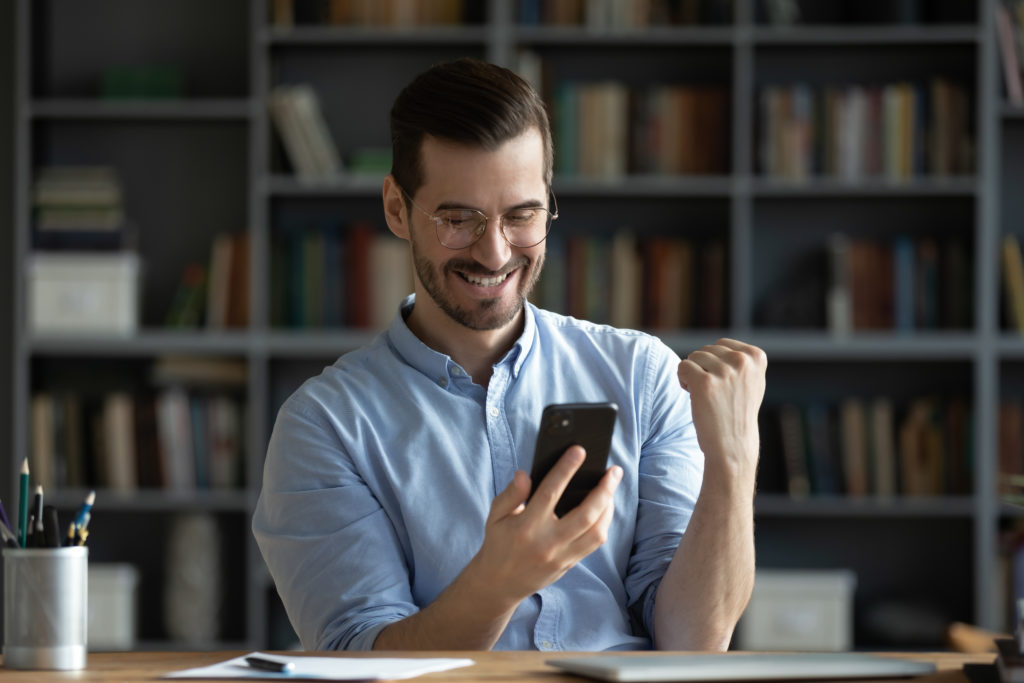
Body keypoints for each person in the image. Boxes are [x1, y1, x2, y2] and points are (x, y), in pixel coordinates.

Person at [252, 57, 766, 652]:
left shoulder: (643, 375)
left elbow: (693, 644)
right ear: (397, 209)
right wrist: (498, 584)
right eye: (458, 220)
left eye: (521, 216)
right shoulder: (324, 424)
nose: (495, 253)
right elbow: (361, 659)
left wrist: (733, 464)